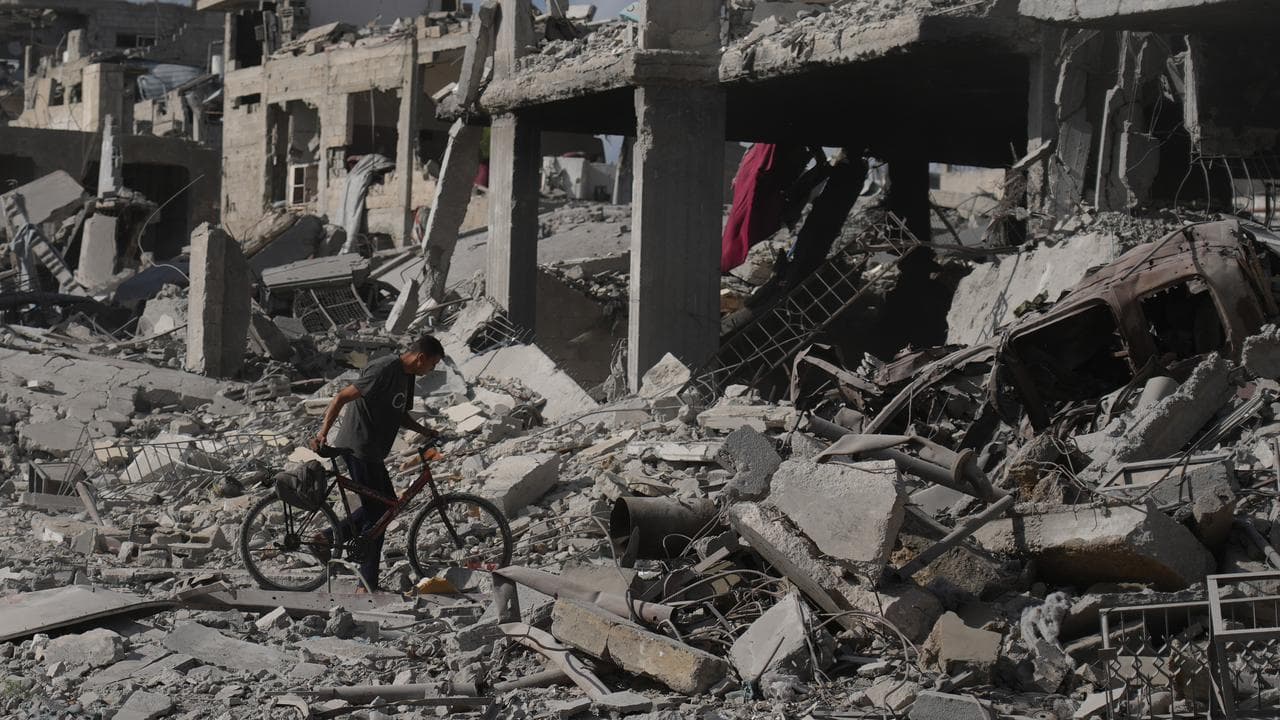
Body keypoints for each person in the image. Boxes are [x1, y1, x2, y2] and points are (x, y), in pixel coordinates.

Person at [310, 335, 445, 592]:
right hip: (357, 446)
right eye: (433, 364)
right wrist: (323, 433)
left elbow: (400, 414)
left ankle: (326, 538)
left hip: (373, 452)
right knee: (378, 516)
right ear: (421, 358)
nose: (432, 370)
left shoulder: (407, 377)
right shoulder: (384, 368)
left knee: (385, 508)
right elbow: (341, 397)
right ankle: (365, 584)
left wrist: (425, 431)